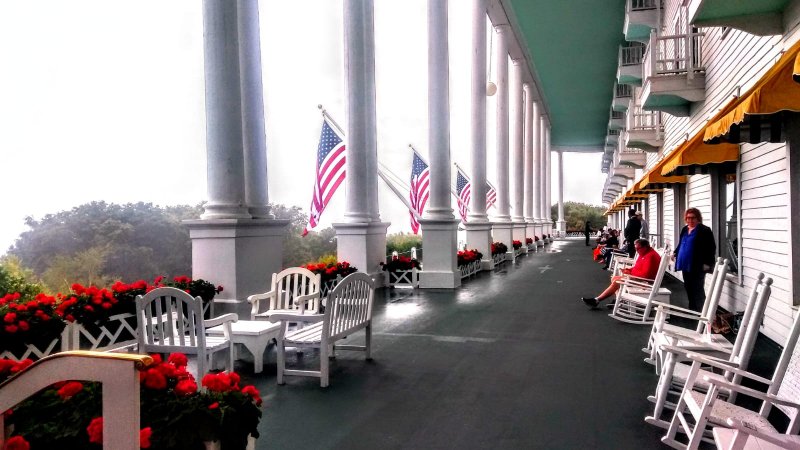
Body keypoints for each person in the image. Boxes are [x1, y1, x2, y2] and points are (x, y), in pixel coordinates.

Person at [581, 239, 661, 308]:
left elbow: (646, 275)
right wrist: (628, 270)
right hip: (639, 278)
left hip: (645, 282)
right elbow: (637, 267)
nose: (636, 250)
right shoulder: (644, 253)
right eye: (635, 248)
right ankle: (617, 300)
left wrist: (630, 275)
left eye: (638, 248)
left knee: (616, 281)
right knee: (614, 278)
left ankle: (598, 300)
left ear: (645, 247)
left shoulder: (650, 256)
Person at [674, 207, 716, 312]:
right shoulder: (685, 229)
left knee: (698, 288)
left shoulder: (704, 230)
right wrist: (675, 252)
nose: (690, 220)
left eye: (693, 218)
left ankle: (702, 311)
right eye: (688, 218)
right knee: (688, 286)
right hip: (685, 264)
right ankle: (692, 309)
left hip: (698, 265)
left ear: (698, 218)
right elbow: (681, 243)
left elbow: (711, 248)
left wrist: (707, 264)